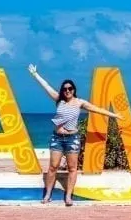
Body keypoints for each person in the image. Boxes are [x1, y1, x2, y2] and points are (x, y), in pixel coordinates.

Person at [27, 64, 121, 206]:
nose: (67, 91)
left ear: (74, 90)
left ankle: (68, 196)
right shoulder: (59, 99)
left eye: (70, 88)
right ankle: (47, 195)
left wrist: (114, 115)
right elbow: (46, 86)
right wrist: (35, 74)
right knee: (53, 167)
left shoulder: (79, 102)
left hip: (72, 139)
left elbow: (96, 109)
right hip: (57, 138)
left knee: (72, 168)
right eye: (65, 89)